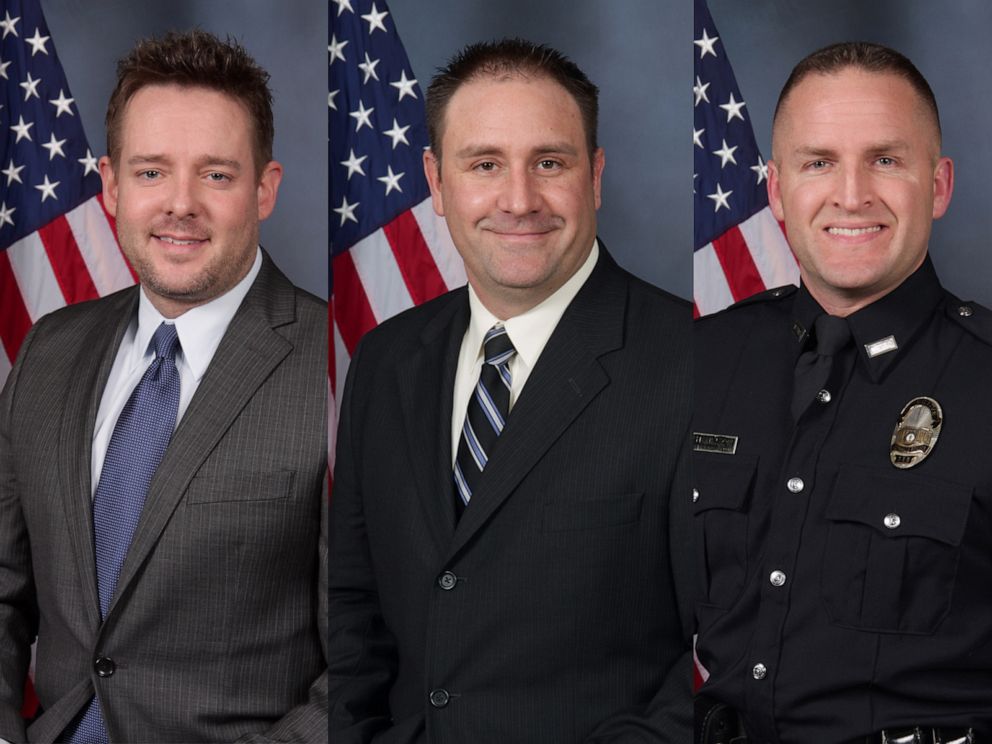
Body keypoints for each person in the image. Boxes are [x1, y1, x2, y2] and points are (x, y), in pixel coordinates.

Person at [329, 38, 692, 743]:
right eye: (485, 164)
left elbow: (724, 649)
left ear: (595, 176)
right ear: (436, 183)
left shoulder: (693, 363)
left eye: (549, 163)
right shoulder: (384, 359)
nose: (519, 200)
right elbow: (352, 605)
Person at [0, 30, 327, 743]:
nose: (181, 204)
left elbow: (371, 653)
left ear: (265, 189)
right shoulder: (49, 349)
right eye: (151, 173)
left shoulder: (339, 368)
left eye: (216, 174)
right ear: (111, 186)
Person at [694, 41, 992, 743]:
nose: (851, 194)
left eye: (886, 159)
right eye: (818, 162)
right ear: (776, 189)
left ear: (940, 185)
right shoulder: (703, 364)